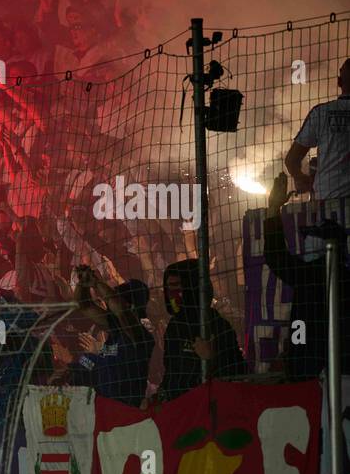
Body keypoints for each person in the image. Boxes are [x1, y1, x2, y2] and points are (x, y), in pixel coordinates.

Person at [261, 172, 350, 380]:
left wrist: (273, 209)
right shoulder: (342, 276)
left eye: (311, 235)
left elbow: (276, 255)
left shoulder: (309, 275)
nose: (307, 239)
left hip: (310, 371)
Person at [158, 260, 245, 401]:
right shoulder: (174, 326)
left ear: (192, 286)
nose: (171, 294)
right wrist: (162, 394)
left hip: (209, 406)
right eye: (168, 288)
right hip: (179, 408)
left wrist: (211, 357)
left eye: (176, 286)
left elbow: (237, 371)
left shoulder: (217, 324)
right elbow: (171, 370)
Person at [68, 268, 154, 407]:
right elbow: (84, 306)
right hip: (104, 409)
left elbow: (120, 311)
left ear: (131, 306)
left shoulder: (140, 335)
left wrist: (96, 283)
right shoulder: (115, 328)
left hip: (125, 410)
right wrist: (82, 283)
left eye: (115, 298)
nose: (108, 304)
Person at [285, 58, 350, 201]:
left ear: (339, 82)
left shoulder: (320, 113)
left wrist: (302, 178)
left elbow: (291, 160)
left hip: (329, 200)